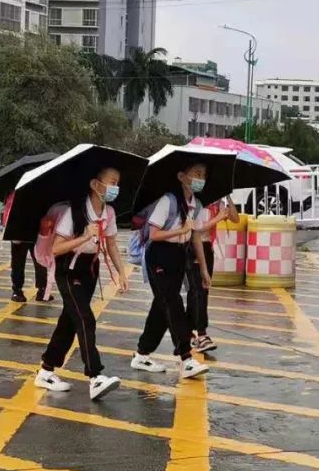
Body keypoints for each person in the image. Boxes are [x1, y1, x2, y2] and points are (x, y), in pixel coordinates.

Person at [36, 167, 129, 401]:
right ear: (96, 185)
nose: (115, 188)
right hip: (69, 270)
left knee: (69, 321)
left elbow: (112, 244)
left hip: (90, 269)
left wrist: (121, 272)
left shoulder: (108, 212)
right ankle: (95, 376)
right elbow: (56, 248)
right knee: (85, 319)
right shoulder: (74, 212)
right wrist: (85, 236)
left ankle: (46, 370)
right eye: (112, 182)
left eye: (118, 182)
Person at [131, 160, 211, 380]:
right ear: (182, 177)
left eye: (203, 175)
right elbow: (153, 234)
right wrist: (180, 229)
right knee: (173, 303)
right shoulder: (169, 201)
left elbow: (196, 237)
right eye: (196, 173)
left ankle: (141, 354)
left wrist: (203, 269)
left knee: (161, 307)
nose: (200, 179)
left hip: (179, 256)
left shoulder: (197, 205)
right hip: (159, 254)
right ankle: (186, 358)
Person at [186, 196, 239, 353]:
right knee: (198, 290)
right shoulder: (196, 202)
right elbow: (197, 228)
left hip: (207, 247)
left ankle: (188, 331)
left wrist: (229, 197)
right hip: (193, 246)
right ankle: (202, 334)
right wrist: (218, 218)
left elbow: (235, 218)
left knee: (200, 291)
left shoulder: (218, 203)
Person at [4, 190, 50, 303]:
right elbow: (8, 211)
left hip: (34, 229)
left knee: (40, 260)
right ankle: (17, 290)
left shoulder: (39, 190)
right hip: (19, 231)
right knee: (18, 262)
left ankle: (41, 289)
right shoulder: (14, 192)